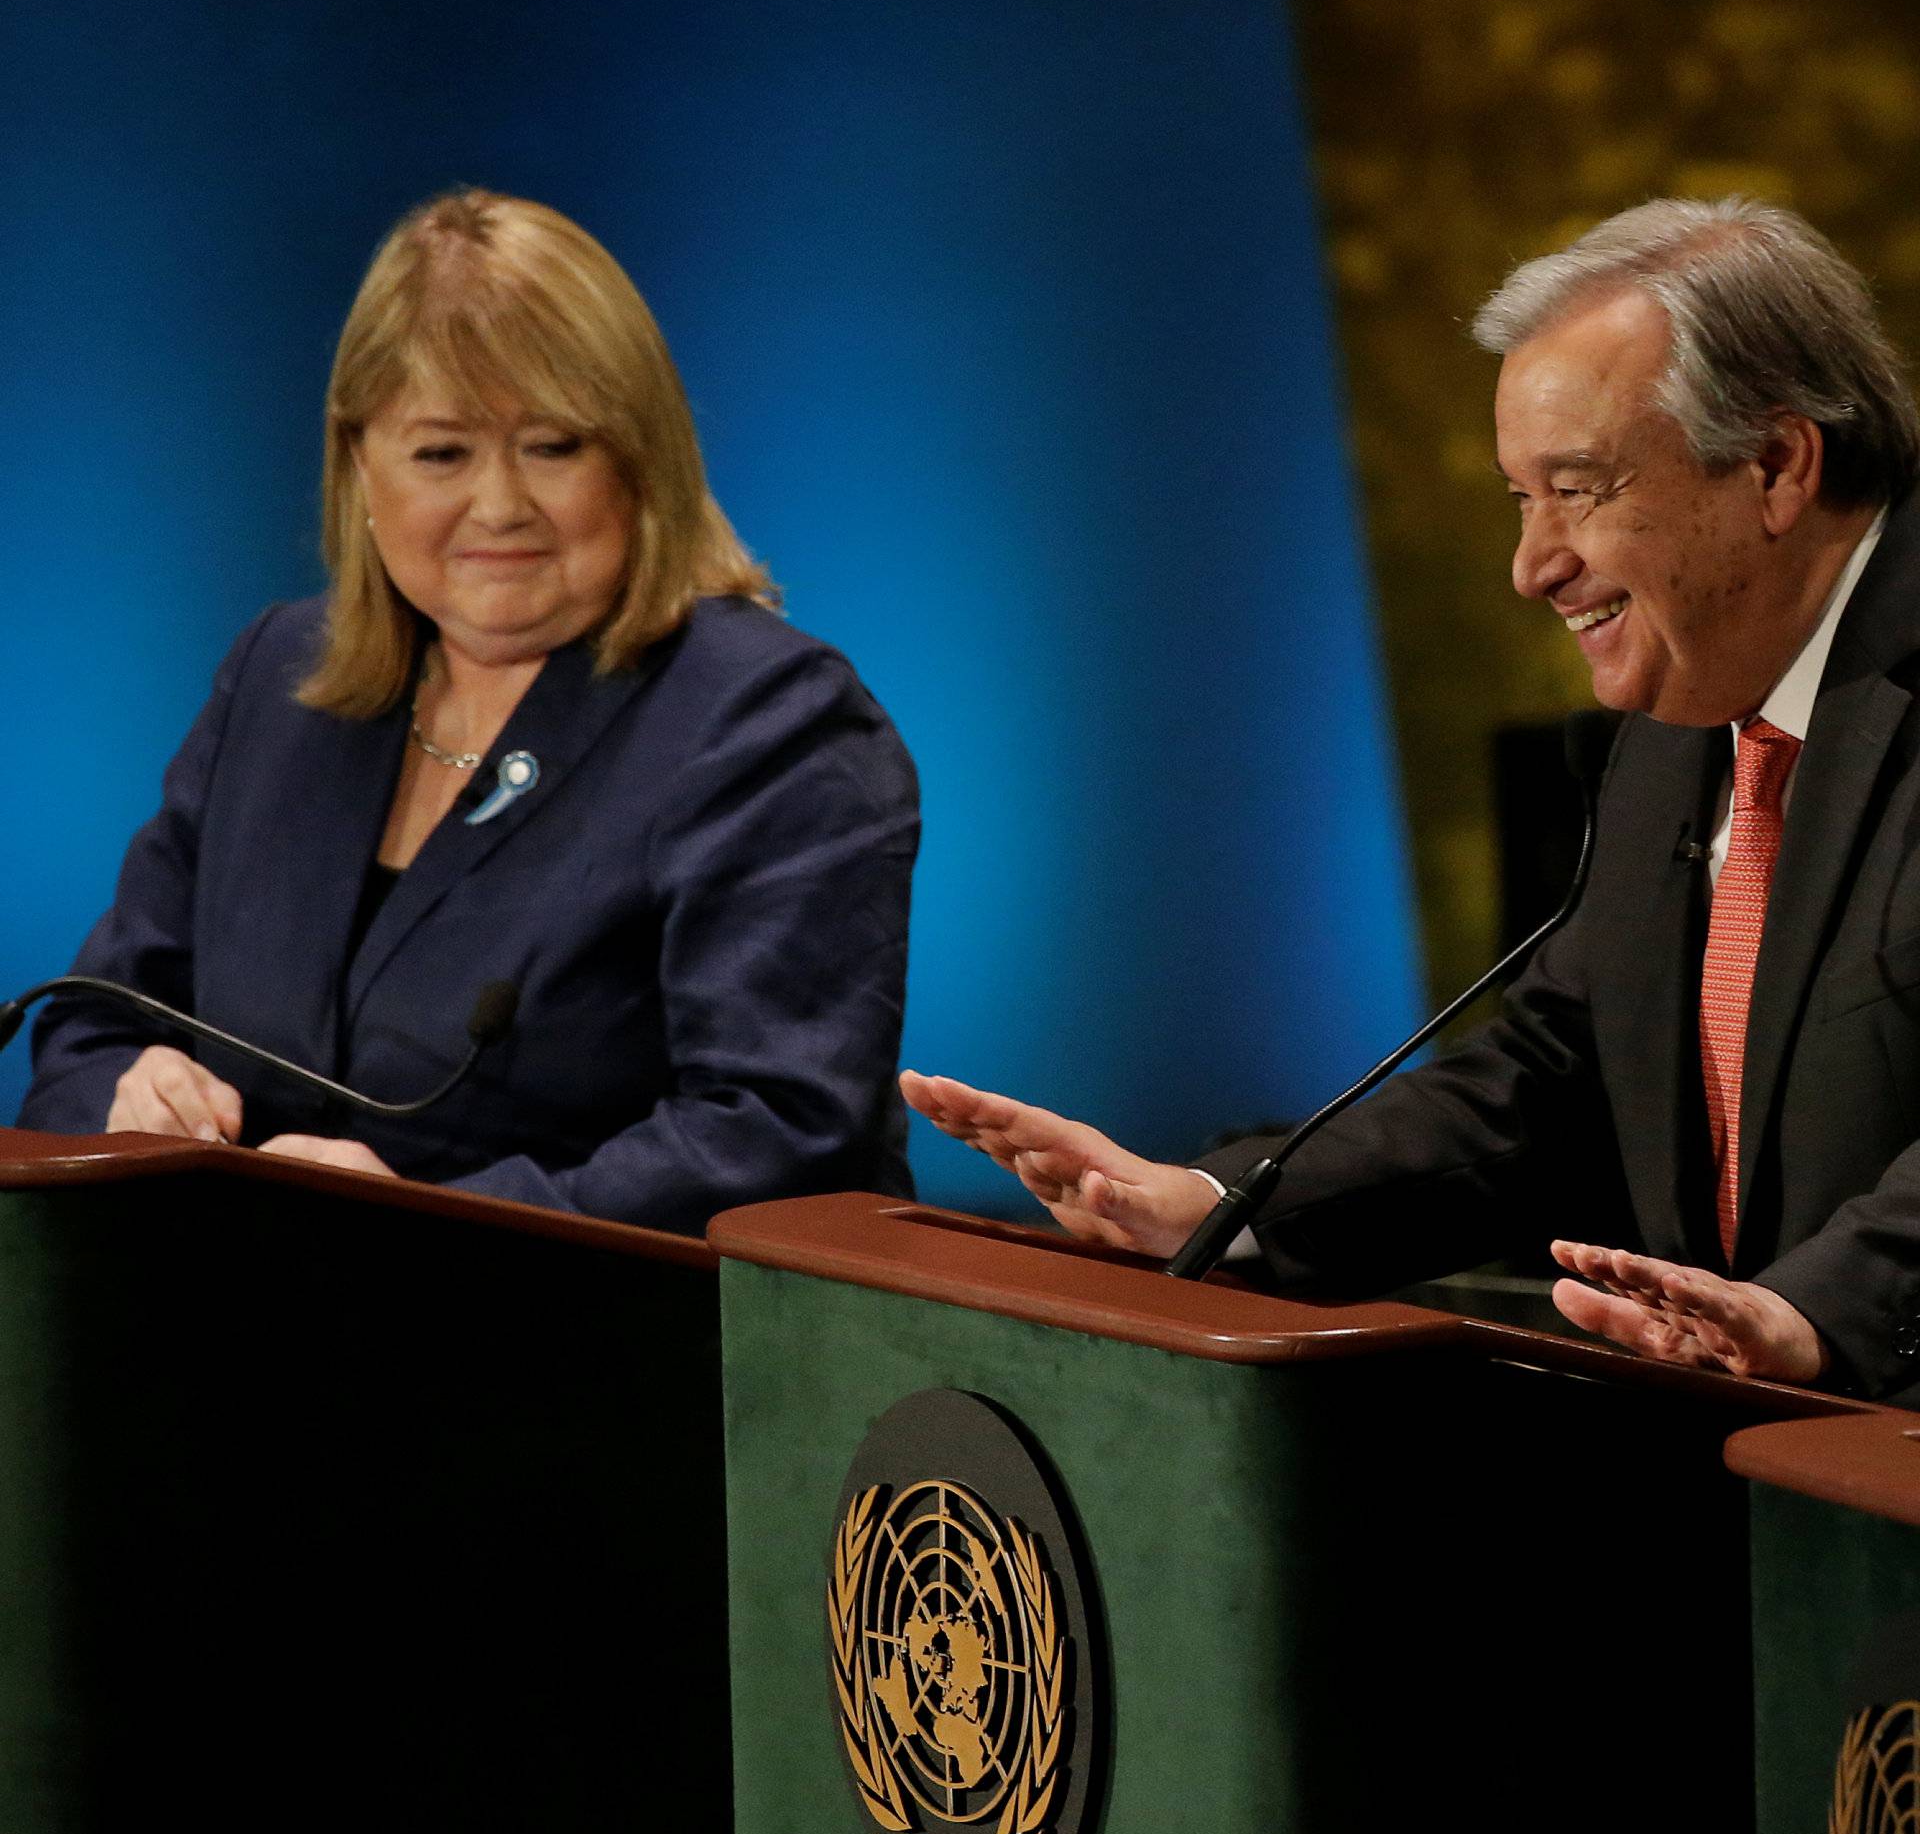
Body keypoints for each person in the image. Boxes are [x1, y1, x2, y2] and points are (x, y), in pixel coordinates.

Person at [905, 197, 1920, 1402]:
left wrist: (1815, 1315)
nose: (1532, 564)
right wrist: (1221, 1205)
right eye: (1518, 498)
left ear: (1775, 464)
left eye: (1580, 489)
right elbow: (1561, 1069)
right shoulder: (1683, 716)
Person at [24, 189, 919, 1231]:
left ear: (641, 457)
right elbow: (88, 1024)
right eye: (441, 453)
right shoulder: (277, 680)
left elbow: (779, 1135)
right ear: (361, 464)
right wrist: (130, 1095)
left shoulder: (766, 721)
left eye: (552, 446)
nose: (498, 505)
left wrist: (433, 1230)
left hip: (594, 1355)